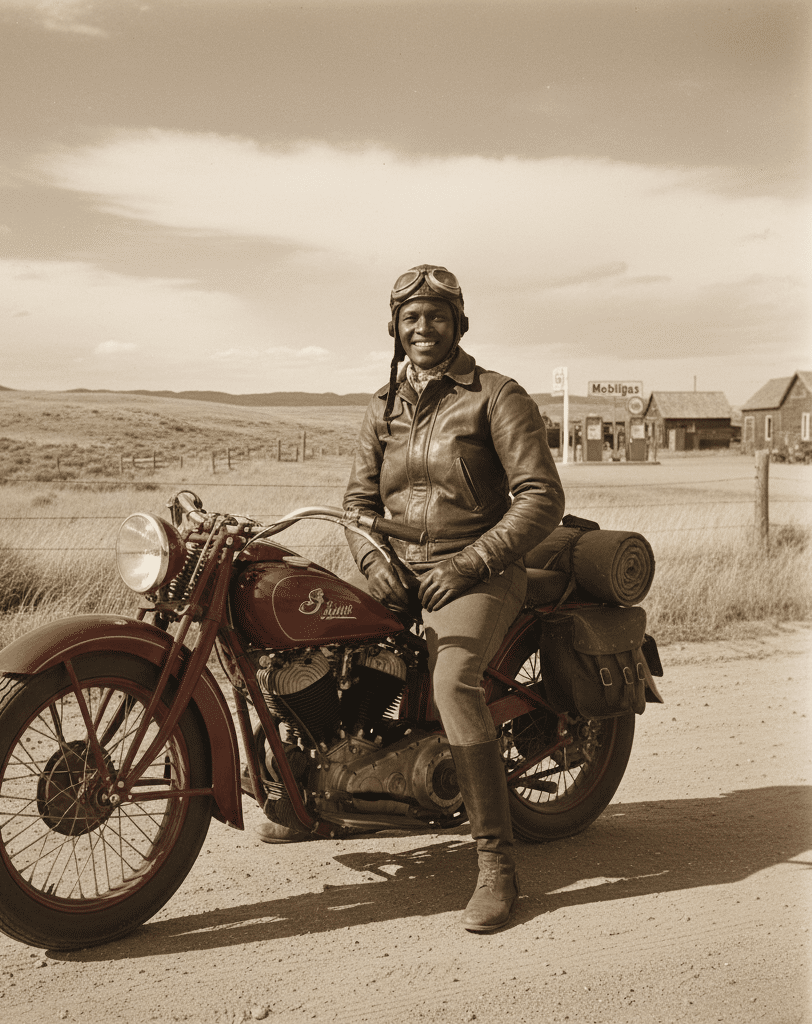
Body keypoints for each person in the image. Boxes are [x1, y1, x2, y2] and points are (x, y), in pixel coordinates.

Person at [345, 264, 564, 932]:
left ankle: (496, 861)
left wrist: (472, 561)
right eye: (410, 316)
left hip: (479, 571)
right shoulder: (382, 406)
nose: (423, 327)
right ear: (394, 327)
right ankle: (312, 799)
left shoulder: (495, 395)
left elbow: (542, 497)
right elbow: (356, 502)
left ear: (458, 323)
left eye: (436, 315)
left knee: (453, 683)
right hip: (399, 570)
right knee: (331, 656)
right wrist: (369, 559)